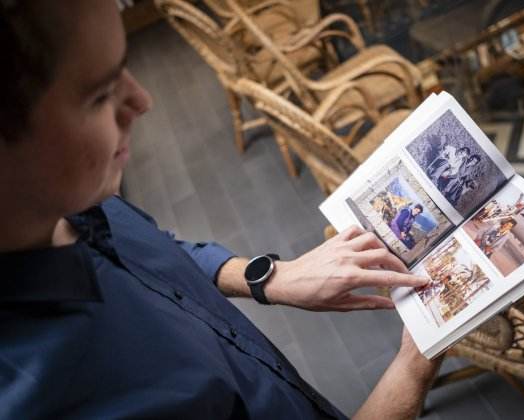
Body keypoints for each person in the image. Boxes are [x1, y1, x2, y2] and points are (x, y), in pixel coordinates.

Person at [0, 1, 442, 419]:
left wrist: (271, 278)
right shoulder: (59, 397)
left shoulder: (76, 201)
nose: (142, 101)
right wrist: (417, 361)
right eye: (98, 96)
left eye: (125, 69)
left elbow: (155, 253)